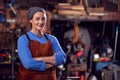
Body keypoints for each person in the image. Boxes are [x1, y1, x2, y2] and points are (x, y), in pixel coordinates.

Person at [17, 7, 67, 80]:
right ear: (31, 20)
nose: (40, 22)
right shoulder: (23, 39)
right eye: (37, 19)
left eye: (43, 19)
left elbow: (62, 58)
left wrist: (39, 59)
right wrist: (50, 63)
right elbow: (28, 63)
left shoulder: (52, 39)